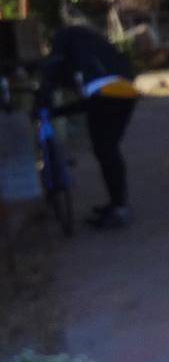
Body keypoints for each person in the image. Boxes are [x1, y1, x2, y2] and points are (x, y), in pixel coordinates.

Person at [37, 23, 139, 229]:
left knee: (105, 151)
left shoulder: (63, 38)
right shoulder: (94, 39)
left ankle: (120, 209)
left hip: (105, 94)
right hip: (128, 92)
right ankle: (117, 202)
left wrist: (43, 99)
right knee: (109, 150)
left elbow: (53, 68)